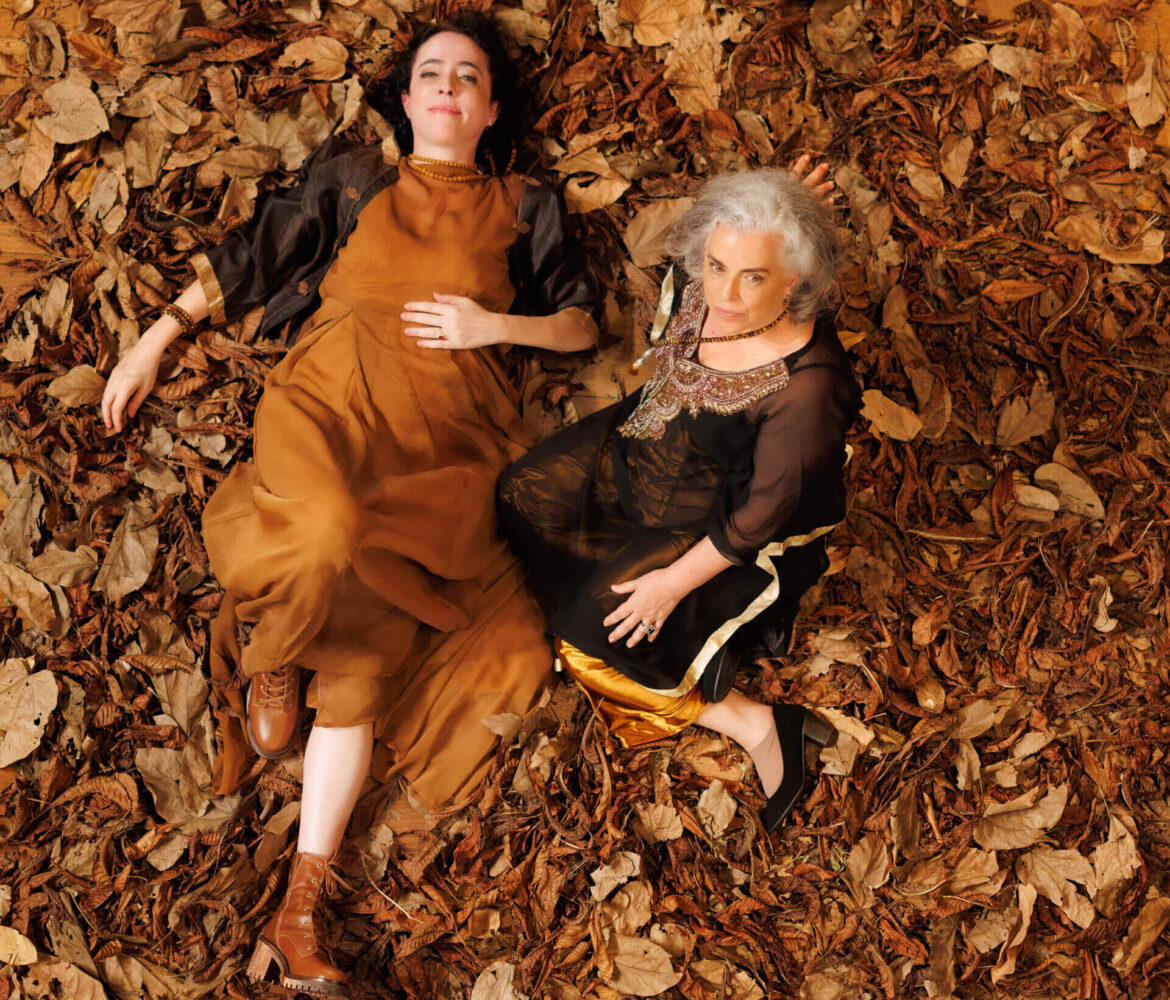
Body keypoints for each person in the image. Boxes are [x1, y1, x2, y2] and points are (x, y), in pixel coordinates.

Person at [100, 12, 599, 997]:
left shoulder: (525, 205)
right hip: (331, 404)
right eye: (431, 73)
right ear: (406, 100)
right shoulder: (356, 175)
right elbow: (255, 253)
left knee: (369, 640)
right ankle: (275, 655)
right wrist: (154, 340)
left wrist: (493, 326)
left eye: (468, 77)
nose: (448, 86)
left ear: (490, 110)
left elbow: (581, 324)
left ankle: (299, 913)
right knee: (327, 527)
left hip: (447, 445)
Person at [497, 167, 859, 835]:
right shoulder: (705, 279)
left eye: (752, 277)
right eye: (716, 265)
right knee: (521, 494)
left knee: (590, 641)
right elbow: (744, 242)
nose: (723, 294)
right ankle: (664, 633)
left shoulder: (807, 391)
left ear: (793, 281)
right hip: (643, 440)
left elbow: (759, 519)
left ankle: (752, 721)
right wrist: (784, 201)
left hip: (706, 520)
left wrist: (670, 585)